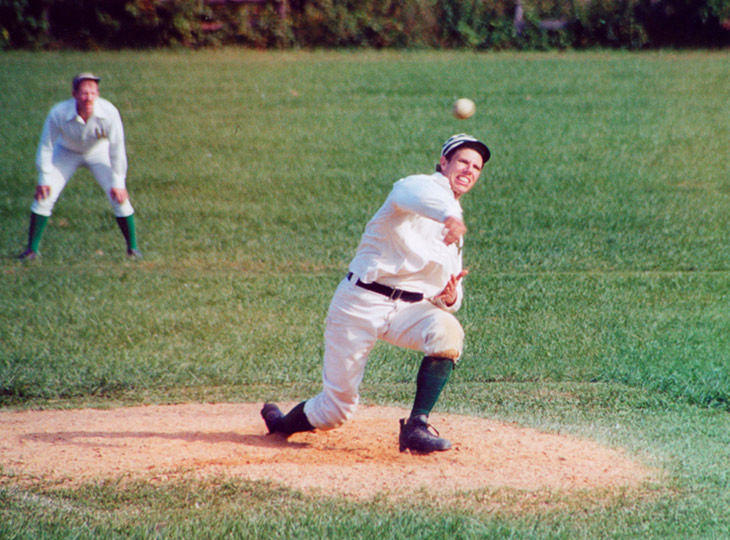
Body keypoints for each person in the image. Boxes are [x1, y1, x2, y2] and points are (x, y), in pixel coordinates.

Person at [261, 133, 490, 453]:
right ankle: (281, 424)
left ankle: (416, 426)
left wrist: (449, 296)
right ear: (443, 163)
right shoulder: (419, 189)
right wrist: (450, 215)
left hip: (408, 311)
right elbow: (417, 194)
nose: (469, 170)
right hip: (359, 303)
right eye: (462, 161)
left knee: (447, 332)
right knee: (335, 410)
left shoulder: (454, 230)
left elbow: (451, 297)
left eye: (476, 167)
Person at [18, 72, 140, 260]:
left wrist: (119, 181)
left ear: (98, 94)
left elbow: (117, 148)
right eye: (83, 93)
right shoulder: (58, 113)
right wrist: (44, 177)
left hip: (98, 151)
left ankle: (133, 249)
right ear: (74, 94)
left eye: (92, 92)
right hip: (66, 151)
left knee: (119, 197)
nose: (88, 97)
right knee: (44, 196)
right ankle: (31, 250)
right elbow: (46, 145)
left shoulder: (109, 113)